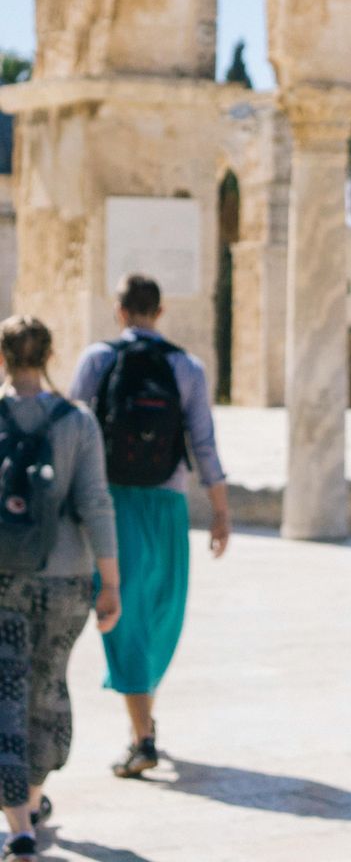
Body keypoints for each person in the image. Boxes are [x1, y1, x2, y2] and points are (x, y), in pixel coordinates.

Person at [68, 275, 229, 779]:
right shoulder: (187, 366)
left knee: (125, 611)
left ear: (119, 311)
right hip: (169, 500)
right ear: (159, 312)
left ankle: (142, 731)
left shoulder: (97, 359)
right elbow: (203, 442)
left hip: (112, 501)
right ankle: (143, 731)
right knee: (161, 610)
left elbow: (72, 430)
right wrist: (220, 511)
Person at [0, 316, 121, 858]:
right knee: (47, 687)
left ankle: (19, 824)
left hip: (3, 579)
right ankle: (32, 793)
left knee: (7, 691)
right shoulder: (77, 420)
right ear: (49, 355)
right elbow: (96, 502)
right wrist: (110, 582)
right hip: (66, 579)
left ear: (2, 356)